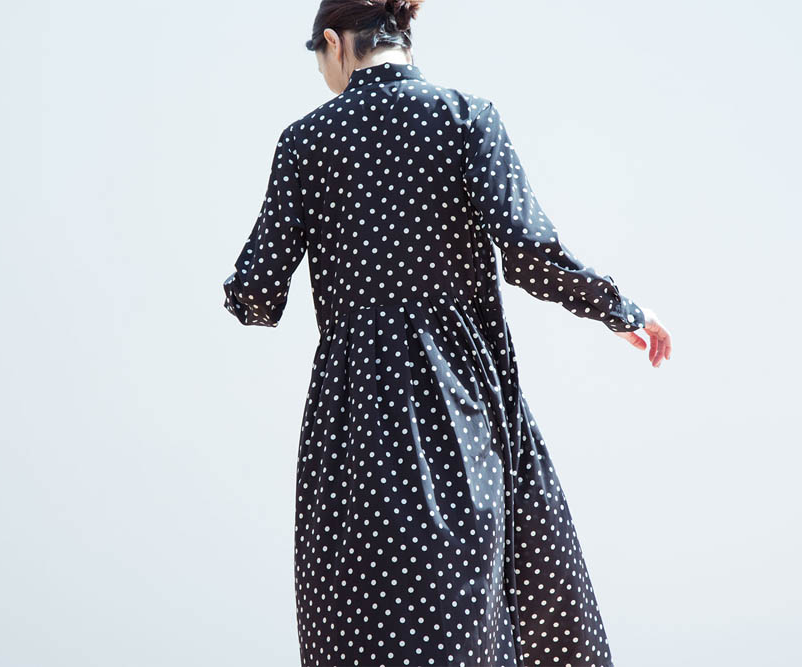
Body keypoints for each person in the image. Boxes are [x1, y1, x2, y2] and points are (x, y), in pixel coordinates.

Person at [222, 1, 673, 665]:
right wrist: (620, 310)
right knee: (478, 616)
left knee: (358, 627)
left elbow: (255, 296)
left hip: (353, 427)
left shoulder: (306, 142)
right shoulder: (465, 117)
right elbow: (531, 255)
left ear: (333, 44)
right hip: (460, 410)